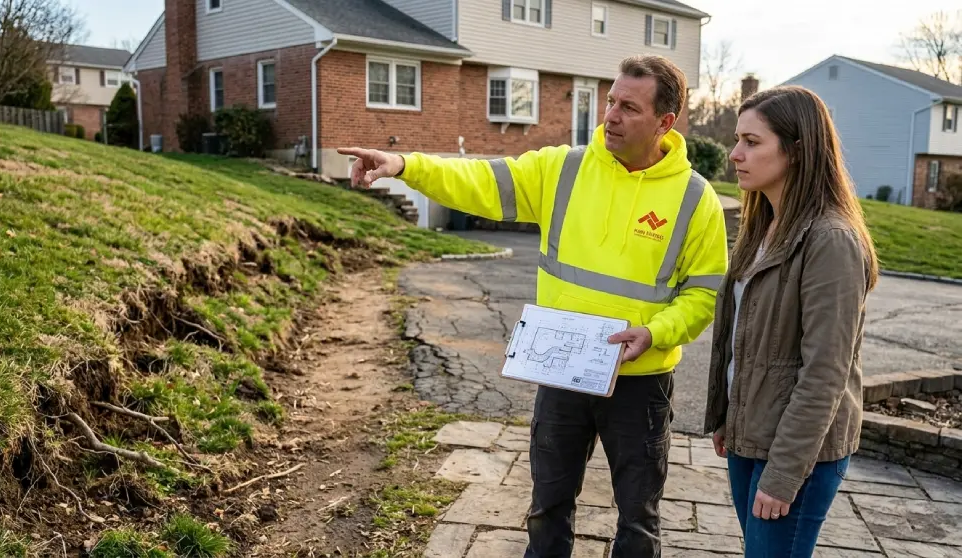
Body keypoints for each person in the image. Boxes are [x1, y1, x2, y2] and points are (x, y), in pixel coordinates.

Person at [339, 55, 729, 558]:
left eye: (628, 107)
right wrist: (405, 166)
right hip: (562, 372)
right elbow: (479, 179)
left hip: (640, 382)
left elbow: (703, 295)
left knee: (639, 519)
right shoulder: (563, 169)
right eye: (610, 100)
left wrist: (655, 333)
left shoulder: (696, 200)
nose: (609, 115)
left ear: (664, 122)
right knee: (547, 508)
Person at [703, 85, 879, 558]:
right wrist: (728, 416)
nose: (735, 154)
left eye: (752, 142)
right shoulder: (763, 226)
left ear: (797, 149)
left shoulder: (831, 240)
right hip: (752, 437)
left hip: (799, 454)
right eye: (738, 140)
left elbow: (825, 373)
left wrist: (783, 476)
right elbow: (746, 340)